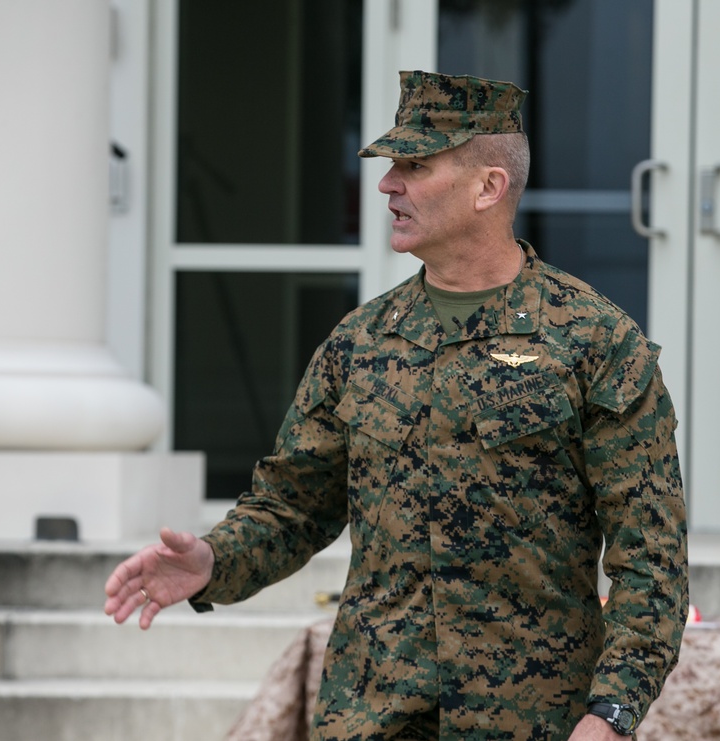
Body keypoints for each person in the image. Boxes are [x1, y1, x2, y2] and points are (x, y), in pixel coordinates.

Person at [105, 70, 689, 740]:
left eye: (414, 165)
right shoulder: (360, 343)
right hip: (371, 714)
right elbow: (291, 505)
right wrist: (213, 562)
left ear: (488, 187)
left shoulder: (594, 342)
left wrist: (611, 713)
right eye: (391, 166)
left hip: (535, 721)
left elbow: (651, 557)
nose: (387, 185)